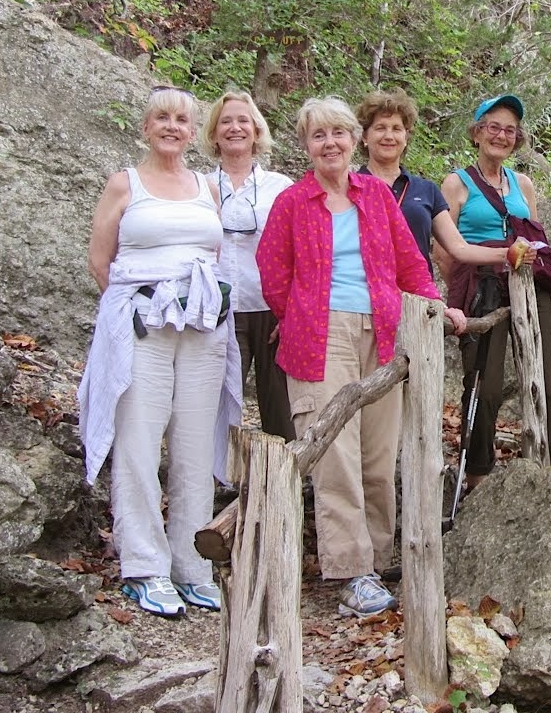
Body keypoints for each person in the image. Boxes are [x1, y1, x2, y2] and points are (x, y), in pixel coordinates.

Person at [256, 96, 468, 619]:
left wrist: (436, 306)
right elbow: (272, 270)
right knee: (337, 455)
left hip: (385, 328)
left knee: (377, 453)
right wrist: (304, 313)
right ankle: (351, 570)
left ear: (354, 139)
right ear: (305, 145)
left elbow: (408, 262)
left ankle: (377, 558)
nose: (330, 144)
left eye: (338, 134)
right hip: (320, 334)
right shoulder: (292, 201)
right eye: (318, 136)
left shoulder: (374, 194)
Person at [77, 85, 241, 617]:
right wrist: (144, 303)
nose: (172, 126)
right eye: (162, 118)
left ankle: (191, 564)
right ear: (147, 127)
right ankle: (144, 566)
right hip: (143, 328)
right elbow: (101, 261)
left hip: (202, 330)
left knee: (194, 446)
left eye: (182, 120)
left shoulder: (205, 188)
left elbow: (212, 253)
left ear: (194, 132)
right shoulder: (125, 184)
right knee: (139, 442)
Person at [440, 94, 551, 491]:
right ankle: (476, 472)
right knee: (485, 383)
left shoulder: (523, 184)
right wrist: (464, 286)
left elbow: (535, 237)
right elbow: (443, 248)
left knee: (541, 375)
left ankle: (549, 468)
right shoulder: (457, 183)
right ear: (477, 132)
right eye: (493, 127)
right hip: (483, 286)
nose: (501, 135)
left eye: (510, 129)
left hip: (528, 287)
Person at [202, 91, 295, 440]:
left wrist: (290, 313)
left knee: (281, 409)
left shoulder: (281, 187)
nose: (235, 127)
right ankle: (216, 484)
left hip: (271, 310)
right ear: (213, 133)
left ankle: (283, 486)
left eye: (243, 121)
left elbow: (299, 252)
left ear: (257, 130)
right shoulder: (199, 186)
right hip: (220, 310)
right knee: (219, 402)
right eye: (226, 121)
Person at [354, 87, 528, 272]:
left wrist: (508, 254)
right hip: (363, 291)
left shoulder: (425, 190)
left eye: (397, 129)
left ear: (406, 137)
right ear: (364, 136)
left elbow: (458, 248)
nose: (389, 136)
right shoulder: (350, 187)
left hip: (416, 294)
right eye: (380, 128)